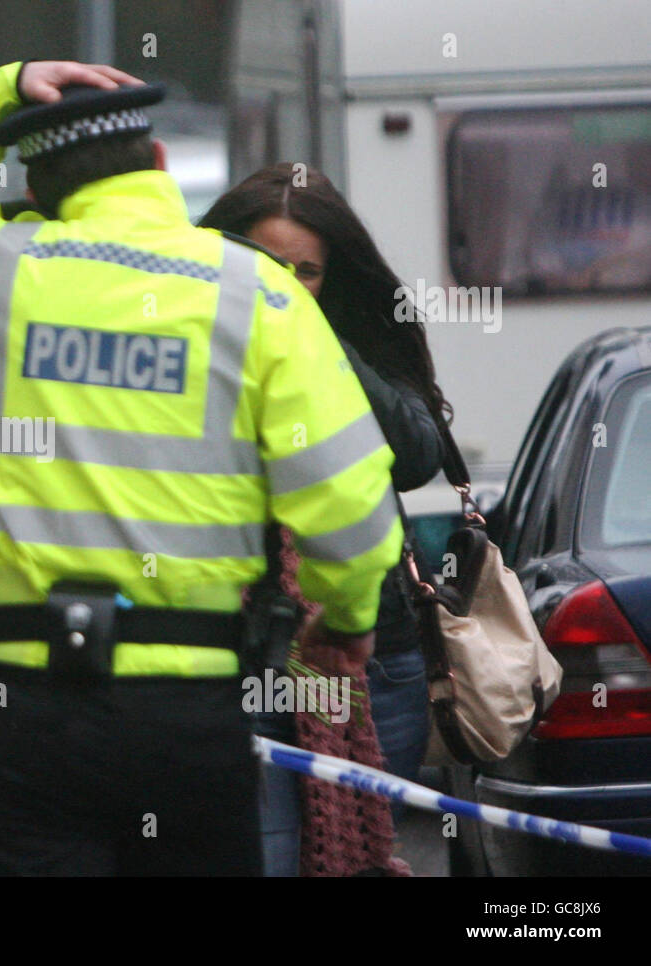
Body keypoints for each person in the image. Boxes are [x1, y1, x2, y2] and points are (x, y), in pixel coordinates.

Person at [0, 61, 403, 875]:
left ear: (40, 189)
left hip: (32, 704)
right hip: (190, 713)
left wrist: (6, 85)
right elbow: (346, 487)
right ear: (158, 161)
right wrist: (348, 611)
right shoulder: (252, 290)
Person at [200, 163, 450, 873]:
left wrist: (310, 344)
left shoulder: (353, 336)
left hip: (368, 653)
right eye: (267, 267)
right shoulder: (183, 340)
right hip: (240, 654)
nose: (285, 285)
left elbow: (415, 455)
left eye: (304, 272)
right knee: (271, 858)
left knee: (359, 855)